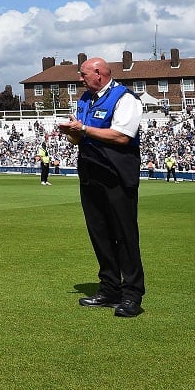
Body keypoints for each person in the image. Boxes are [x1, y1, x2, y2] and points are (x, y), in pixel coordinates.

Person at [57, 57, 145, 318]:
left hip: (117, 174)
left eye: (83, 74)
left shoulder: (125, 98)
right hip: (90, 174)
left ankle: (132, 295)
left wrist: (83, 128)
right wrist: (71, 131)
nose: (79, 78)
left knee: (125, 236)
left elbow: (122, 135)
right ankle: (109, 289)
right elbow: (78, 139)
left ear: (99, 73)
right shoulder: (84, 99)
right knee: (100, 235)